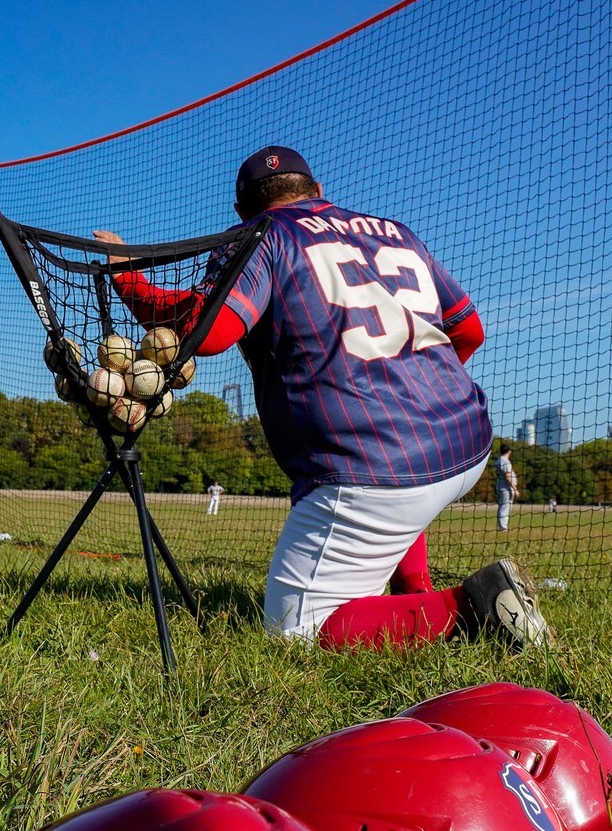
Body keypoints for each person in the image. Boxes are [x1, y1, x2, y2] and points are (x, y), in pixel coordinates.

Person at [95, 146, 549, 651]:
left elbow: (214, 329)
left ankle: (474, 607)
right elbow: (470, 330)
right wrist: (412, 391)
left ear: (242, 211)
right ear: (318, 192)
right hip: (467, 439)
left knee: (298, 630)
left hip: (370, 467)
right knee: (397, 488)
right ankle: (412, 592)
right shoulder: (396, 231)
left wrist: (126, 274)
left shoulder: (260, 235)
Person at [495, 444, 518, 531]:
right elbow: (508, 477)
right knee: (505, 507)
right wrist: (515, 489)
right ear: (509, 451)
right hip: (506, 488)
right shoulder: (505, 461)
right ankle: (503, 527)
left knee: (503, 506)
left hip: (502, 486)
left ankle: (502, 526)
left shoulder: (499, 460)